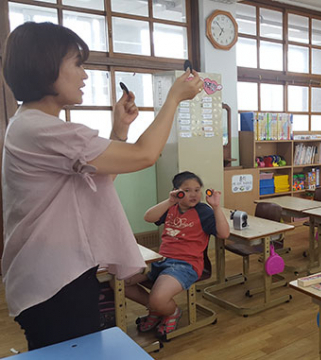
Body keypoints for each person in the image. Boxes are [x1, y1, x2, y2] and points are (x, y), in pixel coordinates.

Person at [2, 22, 203, 349]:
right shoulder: (45, 130)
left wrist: (119, 130)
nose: (84, 75)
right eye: (77, 64)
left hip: (53, 274)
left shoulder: (29, 125)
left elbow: (98, 180)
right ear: (46, 67)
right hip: (54, 281)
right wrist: (174, 99)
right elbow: (145, 155)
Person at [124, 172, 229, 338]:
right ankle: (156, 310)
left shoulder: (203, 211)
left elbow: (223, 234)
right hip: (161, 260)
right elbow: (148, 217)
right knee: (121, 282)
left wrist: (216, 207)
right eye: (187, 190)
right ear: (176, 191)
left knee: (158, 299)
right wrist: (170, 201)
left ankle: (171, 312)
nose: (193, 194)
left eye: (197, 189)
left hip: (185, 265)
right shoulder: (171, 208)